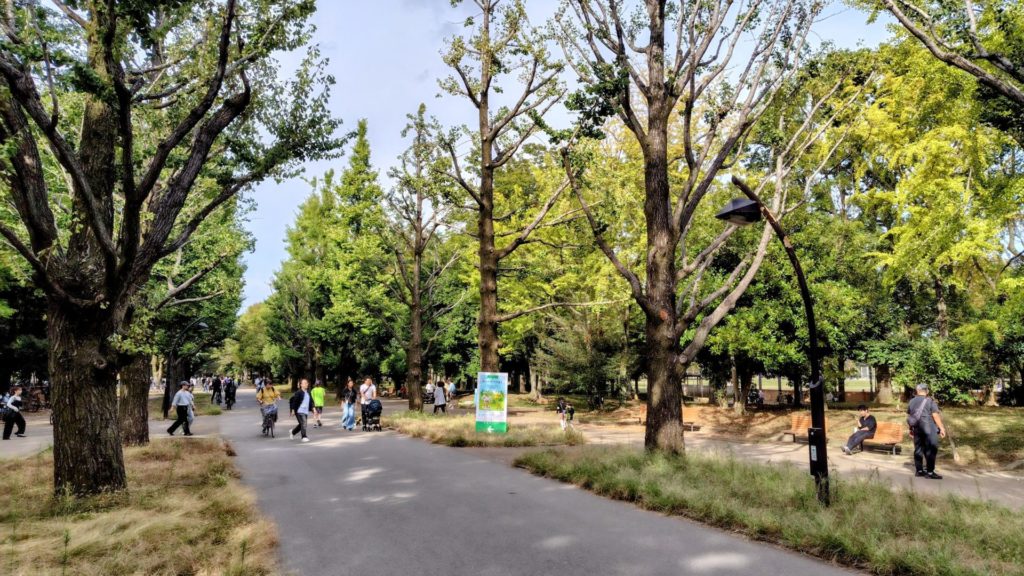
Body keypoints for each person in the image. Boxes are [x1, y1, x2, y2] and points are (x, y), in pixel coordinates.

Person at [907, 383, 946, 479]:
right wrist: (941, 428)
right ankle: (930, 472)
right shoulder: (930, 401)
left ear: (917, 391)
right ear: (927, 391)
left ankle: (919, 471)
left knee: (918, 449)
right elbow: (935, 416)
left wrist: (911, 429)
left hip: (917, 428)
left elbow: (911, 416)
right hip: (929, 428)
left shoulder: (911, 401)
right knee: (931, 449)